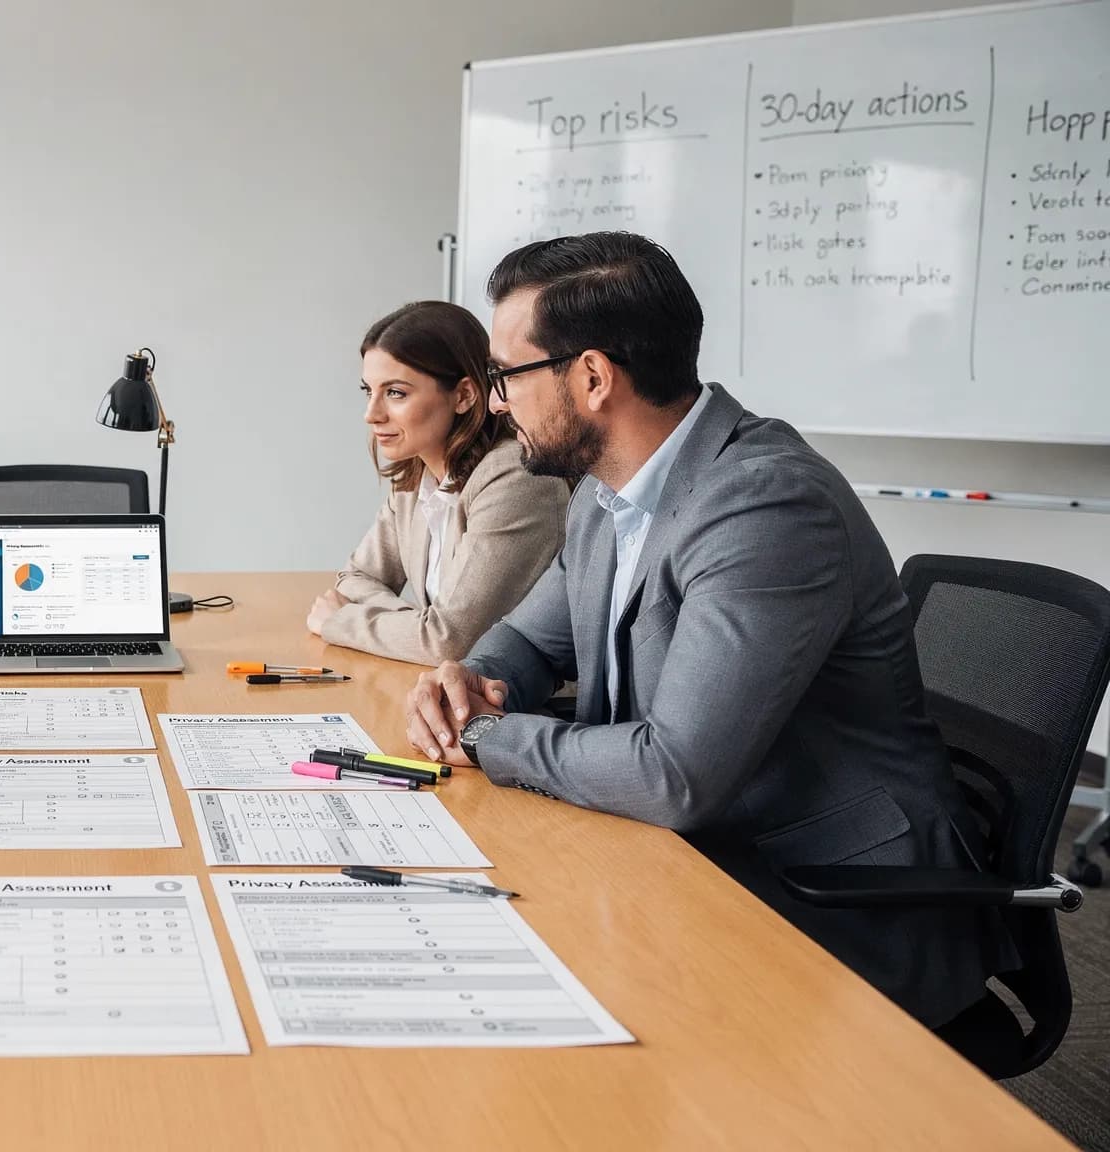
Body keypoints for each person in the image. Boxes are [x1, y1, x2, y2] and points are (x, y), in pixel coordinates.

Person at [405, 232, 1008, 1027]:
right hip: (696, 853)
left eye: (505, 376)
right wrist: (465, 682)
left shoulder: (766, 506)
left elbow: (673, 774)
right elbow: (527, 643)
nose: (495, 403)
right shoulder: (604, 494)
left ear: (592, 378)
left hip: (829, 902)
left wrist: (487, 735)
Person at [308, 301, 568, 663]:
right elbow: (355, 578)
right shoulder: (416, 477)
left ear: (463, 395)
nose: (372, 414)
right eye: (369, 391)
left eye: (395, 393)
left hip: (514, 696)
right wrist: (420, 628)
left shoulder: (515, 478)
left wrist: (344, 621)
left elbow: (451, 643)